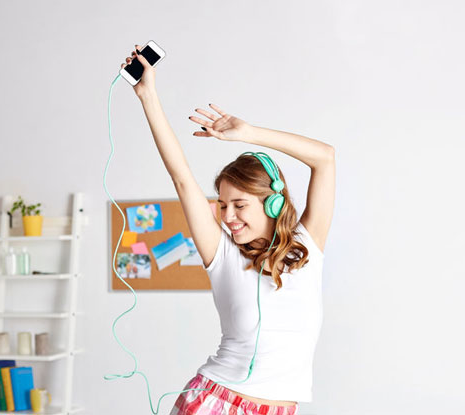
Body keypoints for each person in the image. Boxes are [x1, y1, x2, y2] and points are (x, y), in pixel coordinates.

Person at [121, 45, 335, 415]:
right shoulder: (223, 256)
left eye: (239, 205)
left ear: (272, 203)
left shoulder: (307, 246)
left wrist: (248, 133)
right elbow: (183, 179)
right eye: (222, 206)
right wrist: (147, 95)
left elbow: (325, 157)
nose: (228, 216)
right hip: (214, 403)